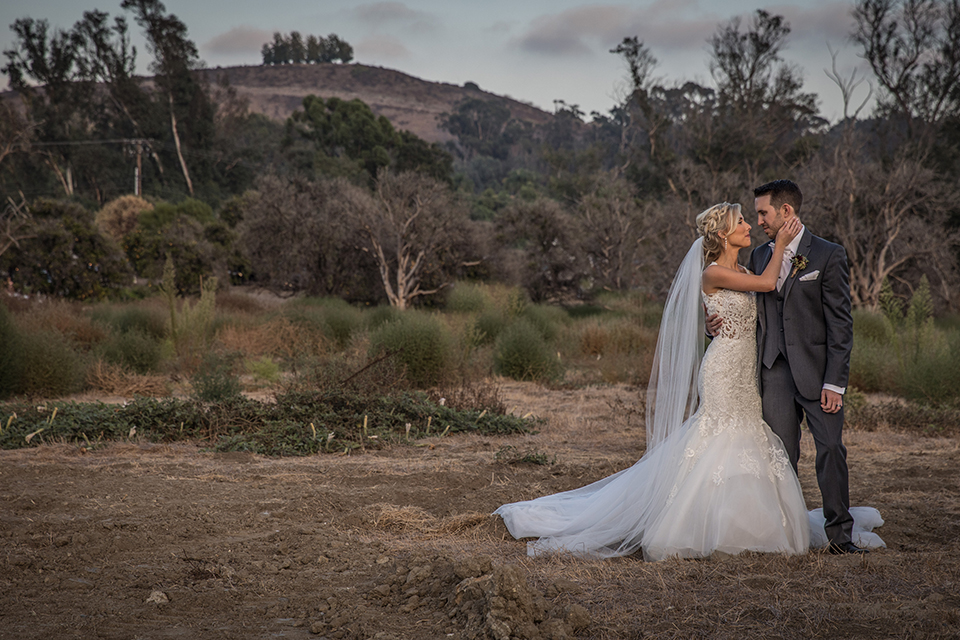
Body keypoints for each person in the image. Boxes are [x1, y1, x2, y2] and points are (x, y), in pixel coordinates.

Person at [495, 202, 865, 561]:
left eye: (754, 218)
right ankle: (699, 525)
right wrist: (782, 246)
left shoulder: (749, 262)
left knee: (748, 439)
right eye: (741, 223)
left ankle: (750, 521)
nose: (750, 226)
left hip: (747, 371)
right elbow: (767, 284)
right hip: (722, 370)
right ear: (723, 234)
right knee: (720, 438)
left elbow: (762, 307)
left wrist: (716, 318)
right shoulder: (714, 272)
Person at [707, 179, 873, 554]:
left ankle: (840, 537)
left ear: (786, 212)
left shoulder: (828, 255)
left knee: (831, 448)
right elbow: (743, 309)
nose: (759, 221)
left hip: (818, 373)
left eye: (763, 213)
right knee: (780, 456)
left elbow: (841, 324)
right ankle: (787, 533)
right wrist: (711, 322)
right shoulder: (761, 256)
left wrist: (835, 382)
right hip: (773, 372)